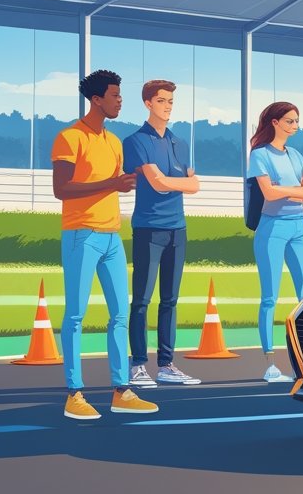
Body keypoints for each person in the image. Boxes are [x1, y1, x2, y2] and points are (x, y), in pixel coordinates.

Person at [51, 69, 158, 419]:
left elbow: (113, 183)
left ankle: (121, 390)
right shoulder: (69, 137)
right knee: (76, 315)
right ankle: (74, 394)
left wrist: (126, 182)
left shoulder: (113, 142)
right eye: (115, 95)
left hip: (112, 237)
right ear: (96, 99)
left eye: (120, 95)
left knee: (120, 315)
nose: (120, 101)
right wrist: (113, 183)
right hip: (81, 234)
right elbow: (61, 189)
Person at [123, 80, 202, 387]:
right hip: (148, 228)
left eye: (170, 101)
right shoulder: (136, 141)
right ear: (148, 103)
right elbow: (158, 183)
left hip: (177, 230)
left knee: (170, 300)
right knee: (142, 300)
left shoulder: (179, 143)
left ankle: (167, 365)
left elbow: (193, 185)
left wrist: (175, 182)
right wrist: (181, 183)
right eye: (161, 100)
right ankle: (138, 365)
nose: (167, 106)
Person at [248, 102, 303, 382]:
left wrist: (286, 190)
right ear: (274, 122)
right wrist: (299, 189)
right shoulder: (260, 154)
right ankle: (270, 364)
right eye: (290, 121)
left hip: (299, 227)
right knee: (270, 297)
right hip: (272, 227)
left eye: (297, 121)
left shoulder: (296, 155)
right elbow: (268, 194)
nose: (295, 126)